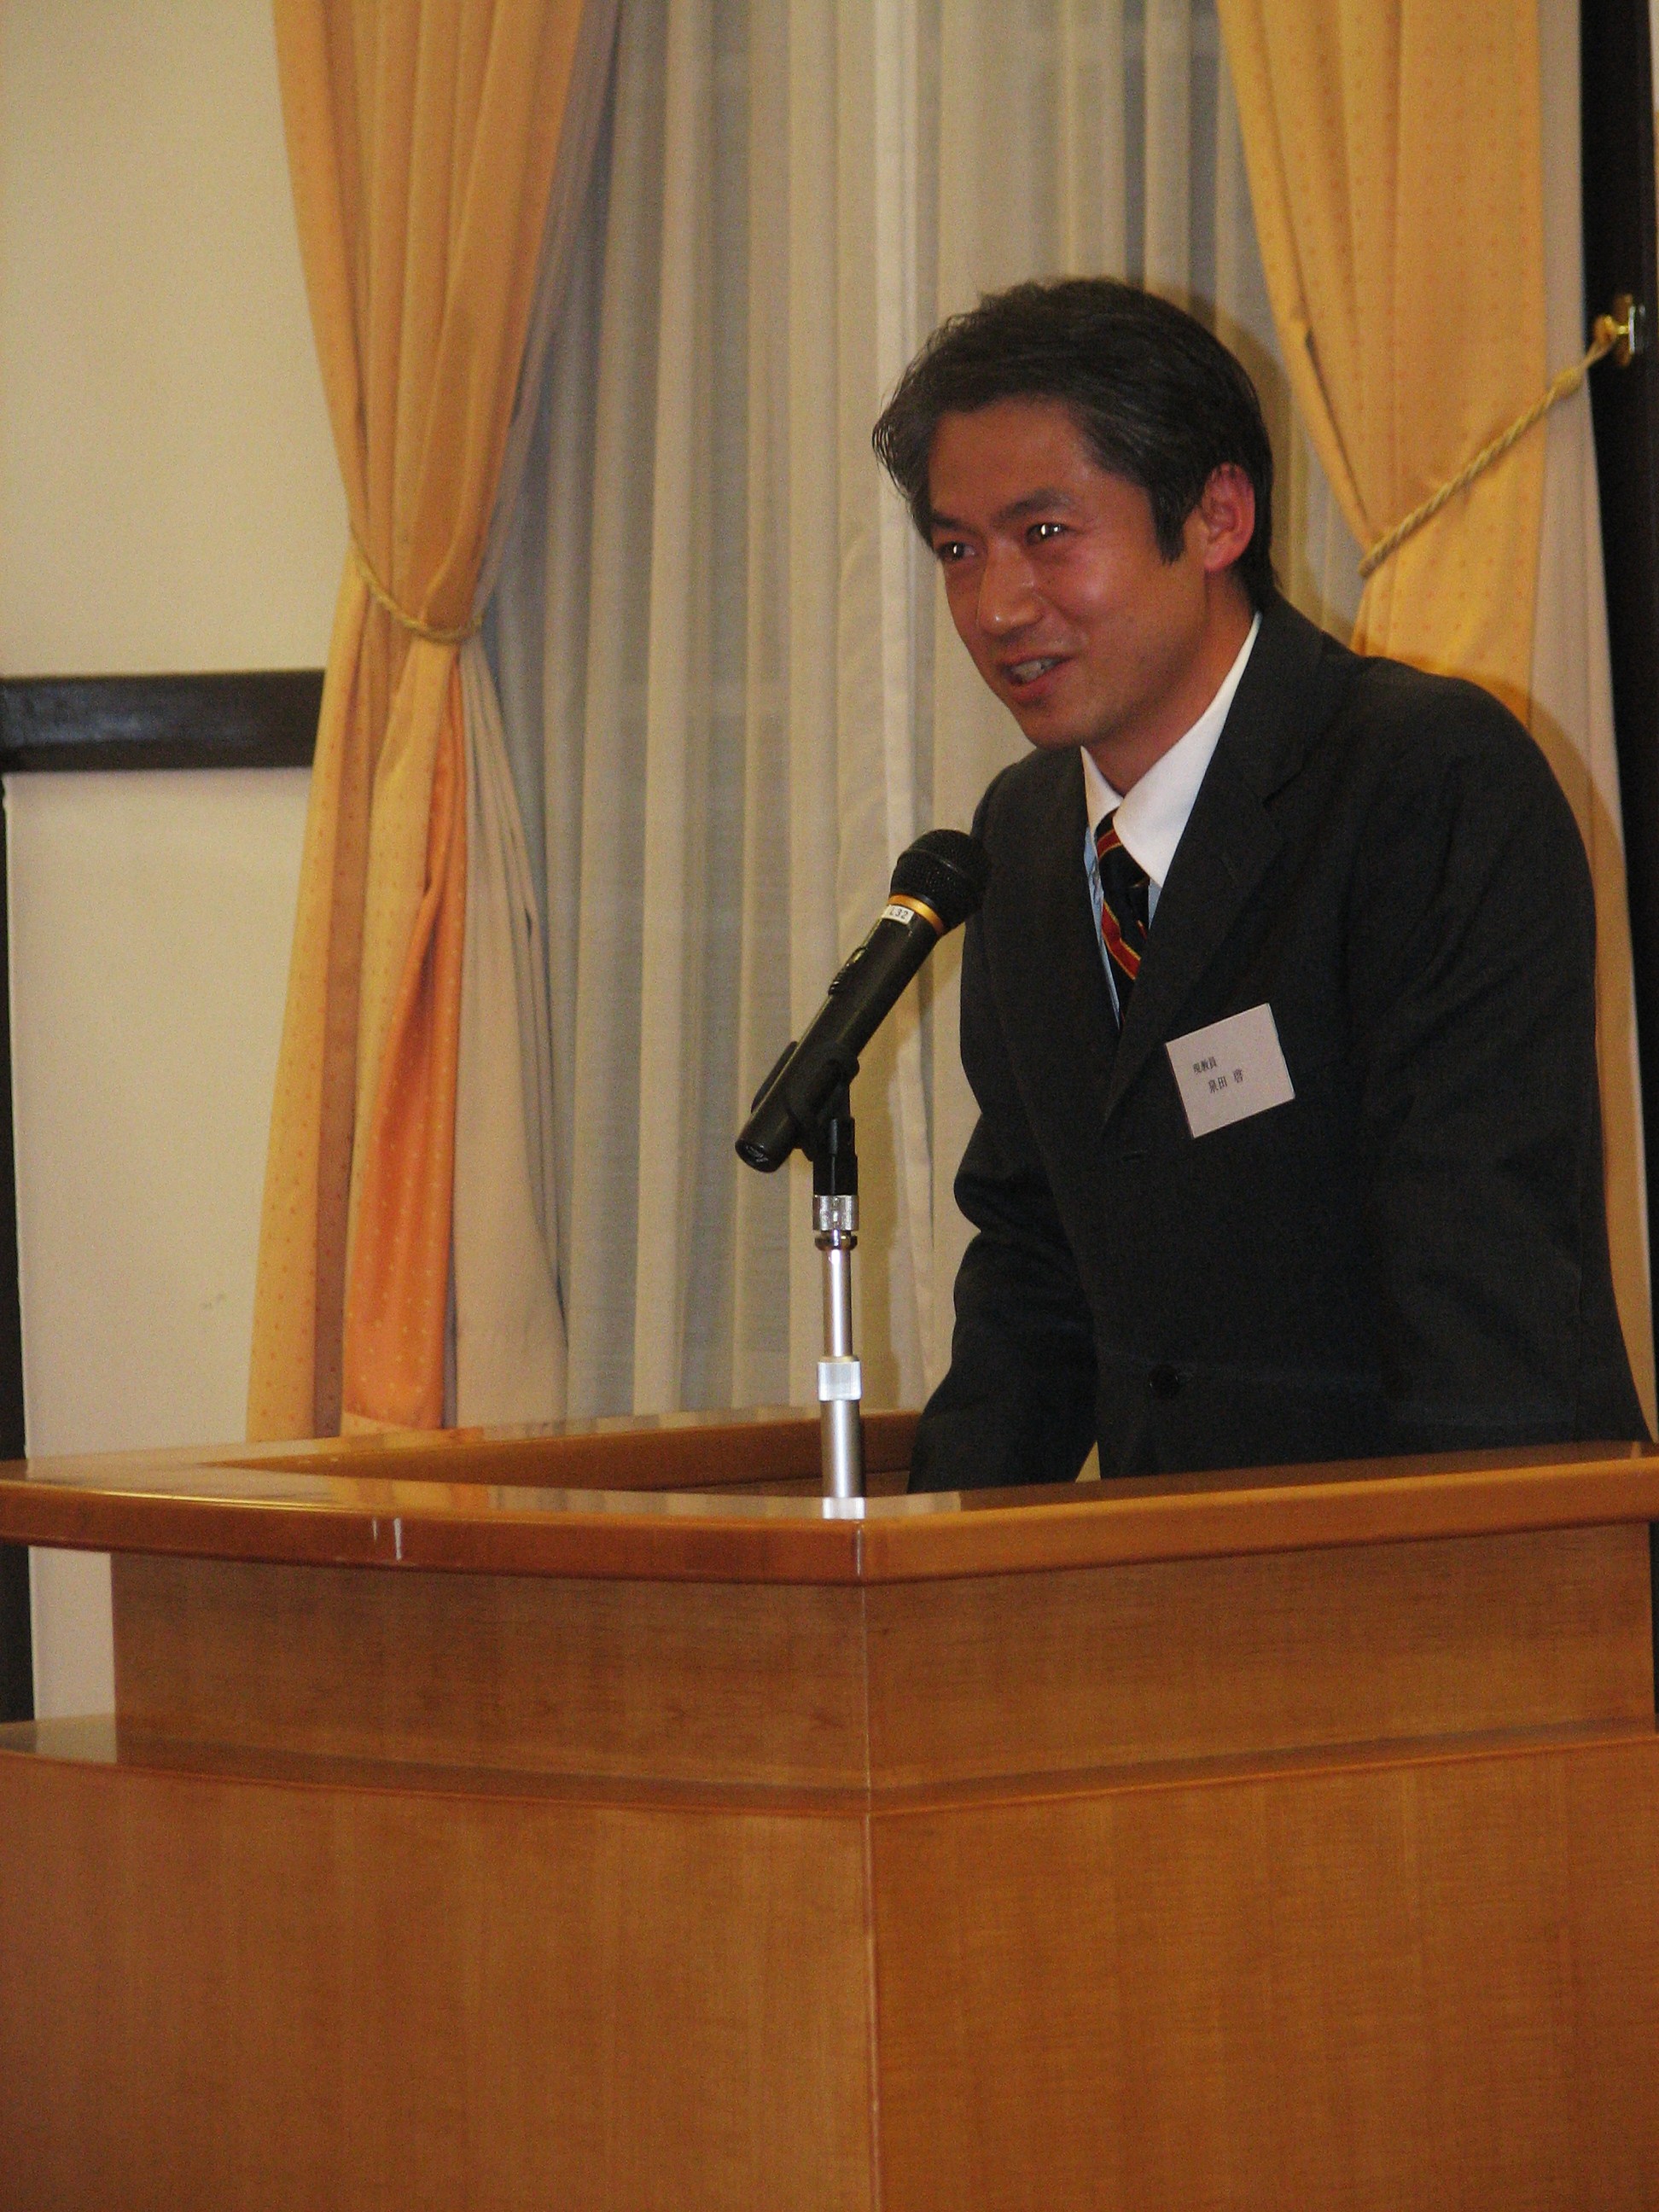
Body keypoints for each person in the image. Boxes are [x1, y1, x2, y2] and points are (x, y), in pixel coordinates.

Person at [871, 277, 1648, 1490]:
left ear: (1218, 517)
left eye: (1047, 534)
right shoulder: (1020, 840)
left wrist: (1446, 1590)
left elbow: (1479, 1269)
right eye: (958, 551)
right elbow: (1033, 1274)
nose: (997, 606)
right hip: (1167, 1567)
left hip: (1429, 1549)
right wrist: (931, 1556)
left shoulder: (1422, 780)